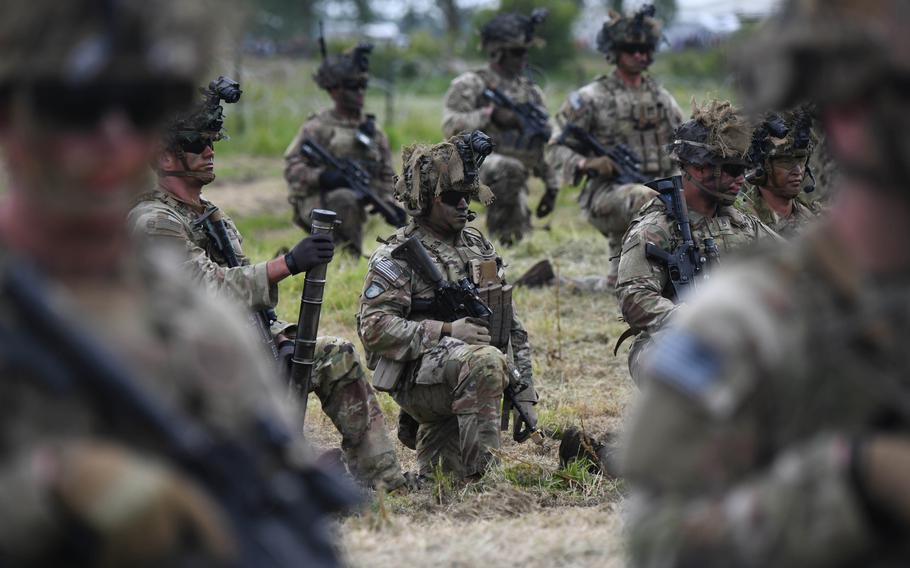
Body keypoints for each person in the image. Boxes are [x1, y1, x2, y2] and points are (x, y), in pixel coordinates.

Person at [0, 0, 351, 565]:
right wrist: (54, 487)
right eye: (75, 108)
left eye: (140, 110)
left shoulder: (201, 326)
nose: (112, 139)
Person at [621, 1, 910, 565]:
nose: (732, 180)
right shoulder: (741, 312)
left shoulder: (745, 225)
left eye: (738, 169)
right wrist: (857, 482)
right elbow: (634, 296)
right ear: (851, 115)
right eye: (721, 169)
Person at [128, 77, 407, 491]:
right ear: (165, 158)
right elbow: (208, 289)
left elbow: (248, 302)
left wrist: (277, 336)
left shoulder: (212, 216)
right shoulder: (154, 221)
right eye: (197, 144)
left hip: (236, 341)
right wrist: (289, 263)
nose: (209, 151)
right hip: (187, 358)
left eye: (212, 141)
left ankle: (382, 481)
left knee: (335, 356)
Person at [357, 132, 538, 479]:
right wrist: (446, 330)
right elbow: (374, 327)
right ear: (426, 200)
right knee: (484, 362)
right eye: (452, 197)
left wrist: (525, 390)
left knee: (441, 478)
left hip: (468, 373)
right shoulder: (398, 254)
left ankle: (448, 445)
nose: (463, 206)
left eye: (467, 197)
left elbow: (509, 322)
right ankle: (487, 480)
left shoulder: (476, 244)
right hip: (418, 379)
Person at [616, 100, 779, 382]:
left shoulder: (740, 222)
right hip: (673, 343)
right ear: (698, 167)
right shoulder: (656, 228)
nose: (741, 179)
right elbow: (634, 299)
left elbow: (794, 264)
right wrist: (696, 322)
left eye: (744, 170)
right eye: (731, 169)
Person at [547, 4, 684, 287]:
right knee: (646, 199)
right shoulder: (590, 98)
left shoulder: (662, 98)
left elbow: (683, 143)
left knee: (620, 282)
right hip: (607, 195)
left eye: (645, 49)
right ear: (615, 51)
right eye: (631, 49)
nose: (639, 55)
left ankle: (571, 282)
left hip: (656, 188)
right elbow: (554, 148)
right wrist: (587, 163)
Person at [442, 8, 559, 246]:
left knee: (519, 230)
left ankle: (508, 247)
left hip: (515, 174)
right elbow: (450, 126)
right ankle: (498, 245)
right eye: (516, 53)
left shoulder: (531, 93)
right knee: (509, 168)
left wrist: (552, 185)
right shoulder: (471, 84)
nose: (523, 58)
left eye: (526, 52)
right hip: (470, 167)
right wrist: (489, 114)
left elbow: (542, 142)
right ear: (497, 53)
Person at [283, 42, 398, 256]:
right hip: (317, 202)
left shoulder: (373, 131)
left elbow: (387, 175)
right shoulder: (317, 127)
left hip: (362, 205)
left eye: (364, 85)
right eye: (353, 86)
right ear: (335, 90)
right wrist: (324, 177)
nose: (361, 92)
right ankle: (348, 259)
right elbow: (292, 168)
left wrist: (388, 202)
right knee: (345, 199)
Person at [737, 109, 824, 237]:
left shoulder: (818, 220)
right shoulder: (742, 224)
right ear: (761, 167)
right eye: (786, 162)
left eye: (801, 160)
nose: (798, 171)